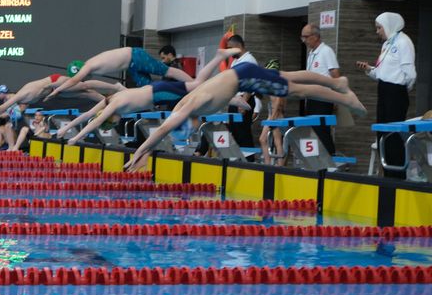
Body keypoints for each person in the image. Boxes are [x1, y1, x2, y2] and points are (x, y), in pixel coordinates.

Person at [124, 63, 366, 172]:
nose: (196, 130)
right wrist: (235, 100)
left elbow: (163, 130)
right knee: (288, 77)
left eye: (190, 129)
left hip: (244, 78)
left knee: (296, 89)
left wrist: (138, 152)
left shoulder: (188, 109)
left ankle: (344, 97)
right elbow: (215, 92)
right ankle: (337, 83)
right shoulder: (190, 104)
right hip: (241, 74)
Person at [66, 48, 248, 145]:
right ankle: (229, 89)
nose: (115, 123)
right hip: (156, 91)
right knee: (197, 88)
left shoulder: (113, 106)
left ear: (110, 118)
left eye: (112, 123)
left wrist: (75, 137)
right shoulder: (109, 100)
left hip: (158, 93)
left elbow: (95, 121)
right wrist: (67, 129)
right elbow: (88, 116)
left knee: (197, 88)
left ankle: (219, 61)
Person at [356, 12, 416, 180]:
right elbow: (382, 73)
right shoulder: (387, 44)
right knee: (382, 134)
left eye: (379, 28)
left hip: (396, 93)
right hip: (384, 90)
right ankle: (387, 175)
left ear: (389, 25)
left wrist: (401, 89)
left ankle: (397, 178)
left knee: (394, 137)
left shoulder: (404, 42)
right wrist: (369, 69)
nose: (377, 32)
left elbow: (410, 74)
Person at [44, 47, 193, 101]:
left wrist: (56, 90)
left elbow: (75, 81)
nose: (83, 78)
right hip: (131, 65)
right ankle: (179, 93)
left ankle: (195, 86)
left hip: (136, 56)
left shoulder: (88, 67)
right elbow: (88, 84)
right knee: (148, 90)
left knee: (168, 71)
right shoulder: (89, 64)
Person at [0, 75, 114, 128]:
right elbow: (7, 110)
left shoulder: (25, 94)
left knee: (85, 86)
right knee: (86, 95)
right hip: (53, 92)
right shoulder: (23, 101)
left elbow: (0, 108)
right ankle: (109, 101)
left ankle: (115, 87)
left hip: (55, 82)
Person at [302, 23, 340, 155]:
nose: (304, 40)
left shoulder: (326, 51)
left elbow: (335, 74)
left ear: (315, 36)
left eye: (306, 37)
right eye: (302, 37)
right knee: (313, 130)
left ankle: (330, 159)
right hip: (312, 98)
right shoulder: (311, 54)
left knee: (322, 130)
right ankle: (317, 159)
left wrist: (337, 97)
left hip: (324, 98)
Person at [226, 34, 258, 160]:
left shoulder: (249, 60)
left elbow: (252, 82)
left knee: (243, 133)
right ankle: (238, 160)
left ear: (238, 46)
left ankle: (249, 162)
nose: (229, 51)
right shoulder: (235, 61)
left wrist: (244, 102)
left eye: (230, 48)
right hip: (236, 101)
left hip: (244, 99)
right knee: (235, 132)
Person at [257, 59, 287, 166]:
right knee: (263, 139)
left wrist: (273, 119)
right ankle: (268, 163)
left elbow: (278, 102)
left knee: (277, 142)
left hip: (276, 116)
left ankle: (279, 166)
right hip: (273, 114)